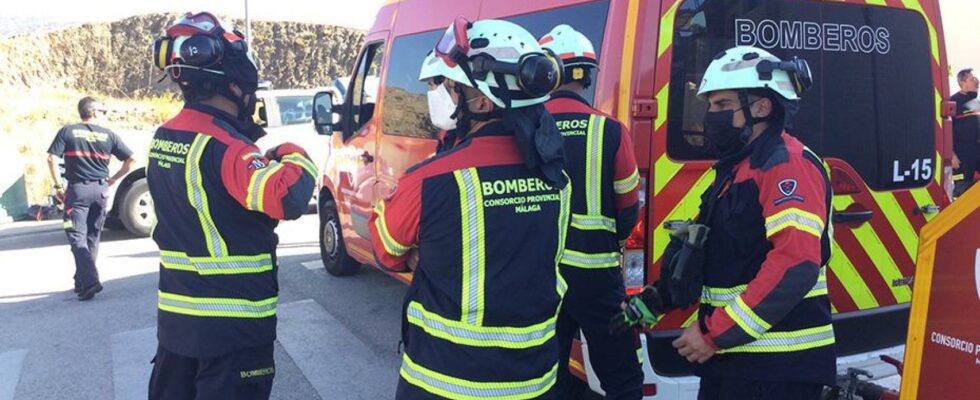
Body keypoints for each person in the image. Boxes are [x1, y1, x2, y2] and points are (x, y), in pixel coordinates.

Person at [612, 46, 835, 400]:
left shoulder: (786, 164)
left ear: (761, 107)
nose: (710, 115)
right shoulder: (737, 168)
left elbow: (796, 263)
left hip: (778, 370)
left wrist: (713, 333)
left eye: (722, 105)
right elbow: (708, 250)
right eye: (710, 105)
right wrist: (656, 300)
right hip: (737, 364)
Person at [368, 18, 570, 400]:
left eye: (445, 85)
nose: (437, 93)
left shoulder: (429, 179)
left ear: (481, 100)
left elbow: (385, 250)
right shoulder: (557, 176)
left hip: (444, 383)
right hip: (536, 381)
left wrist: (422, 253)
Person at [145, 12, 316, 400]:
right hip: (232, 329)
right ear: (235, 83)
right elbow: (285, 198)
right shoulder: (227, 147)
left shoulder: (165, 136)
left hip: (178, 324)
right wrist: (295, 155)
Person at [538, 25, 644, 399]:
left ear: (547, 71)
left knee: (544, 375)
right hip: (598, 277)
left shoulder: (526, 128)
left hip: (542, 276)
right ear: (588, 74)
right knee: (621, 377)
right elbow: (629, 206)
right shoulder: (610, 130)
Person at [46, 96, 136, 301]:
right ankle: (81, 280)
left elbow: (51, 158)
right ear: (94, 112)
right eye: (103, 111)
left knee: (76, 236)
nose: (105, 115)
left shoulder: (67, 131)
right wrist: (113, 179)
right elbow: (132, 160)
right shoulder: (109, 135)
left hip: (77, 192)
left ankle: (90, 281)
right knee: (92, 237)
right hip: (101, 191)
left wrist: (58, 186)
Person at [950, 68, 980, 197]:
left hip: (976, 152)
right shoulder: (953, 102)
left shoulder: (976, 103)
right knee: (963, 191)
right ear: (963, 82)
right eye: (972, 79)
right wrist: (950, 154)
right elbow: (944, 129)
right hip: (962, 157)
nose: (977, 81)